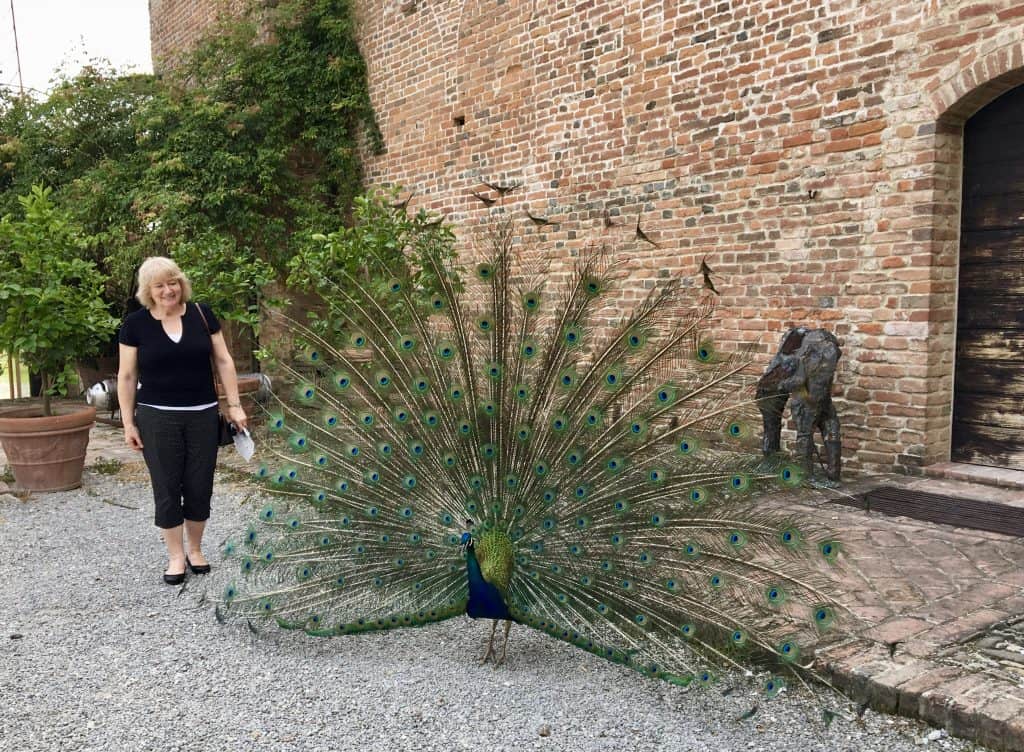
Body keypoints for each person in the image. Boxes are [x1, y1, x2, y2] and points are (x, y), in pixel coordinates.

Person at [117, 257, 248, 585]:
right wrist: (129, 423)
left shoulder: (202, 315)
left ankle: (196, 549)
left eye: (172, 282)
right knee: (166, 486)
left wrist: (234, 405)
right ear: (148, 290)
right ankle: (175, 555)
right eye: (159, 285)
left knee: (199, 484)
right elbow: (127, 375)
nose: (167, 290)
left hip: (202, 414)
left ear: (181, 283)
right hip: (156, 418)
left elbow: (224, 360)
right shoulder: (135, 325)